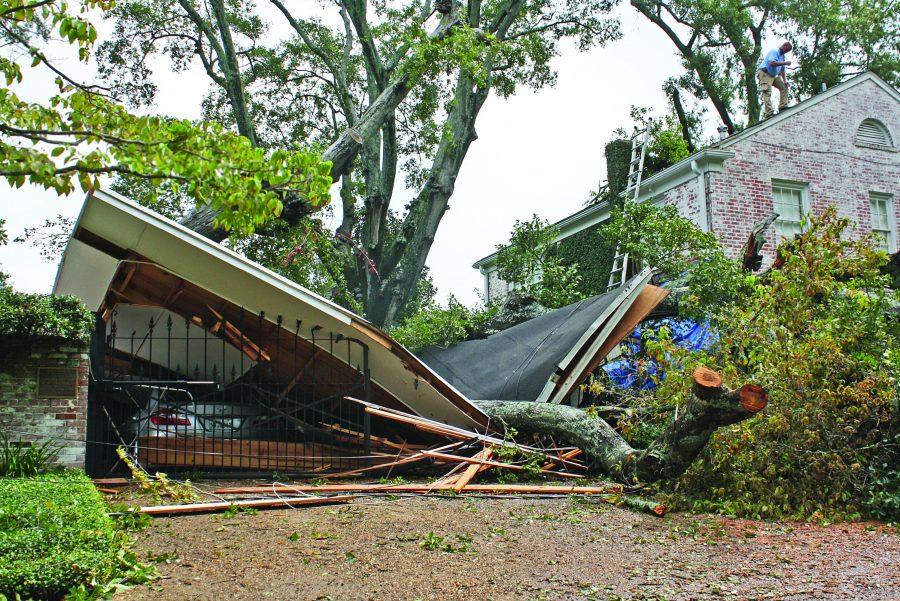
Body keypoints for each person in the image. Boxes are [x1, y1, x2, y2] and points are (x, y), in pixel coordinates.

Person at [757, 42, 793, 119]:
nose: (785, 51)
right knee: (767, 91)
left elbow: (782, 69)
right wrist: (785, 63)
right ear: (783, 46)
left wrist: (785, 81)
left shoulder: (782, 56)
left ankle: (783, 106)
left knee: (784, 87)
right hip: (765, 73)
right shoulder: (774, 51)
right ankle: (769, 113)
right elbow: (772, 63)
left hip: (773, 75)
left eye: (787, 51)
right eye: (785, 49)